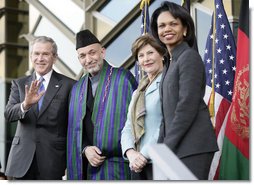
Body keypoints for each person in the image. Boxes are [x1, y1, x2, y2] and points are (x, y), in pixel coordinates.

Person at [150, 1, 219, 180]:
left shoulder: (189, 57)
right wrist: (160, 149)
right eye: (162, 25)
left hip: (193, 146)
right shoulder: (169, 63)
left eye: (173, 24)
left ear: (185, 29)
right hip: (175, 146)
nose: (167, 29)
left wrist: (167, 146)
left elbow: (186, 106)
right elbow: (167, 114)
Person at [67, 29, 137, 180]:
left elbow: (136, 122)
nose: (88, 59)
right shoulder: (76, 89)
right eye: (82, 56)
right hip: (87, 170)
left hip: (119, 167)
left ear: (103, 52)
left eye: (92, 52)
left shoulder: (123, 78)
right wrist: (85, 149)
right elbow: (76, 131)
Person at [4, 36, 76, 180]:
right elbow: (8, 114)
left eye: (45, 54)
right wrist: (26, 105)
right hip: (20, 161)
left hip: (52, 160)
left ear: (55, 57)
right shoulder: (19, 84)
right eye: (36, 54)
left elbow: (73, 124)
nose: (40, 58)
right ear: (31, 56)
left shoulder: (69, 85)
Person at [121, 34, 166, 180]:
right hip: (137, 164)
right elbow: (128, 126)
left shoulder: (168, 84)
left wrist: (143, 154)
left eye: (150, 53)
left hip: (162, 161)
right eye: (141, 55)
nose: (146, 59)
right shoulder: (138, 92)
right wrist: (130, 153)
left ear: (162, 55)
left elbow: (167, 124)